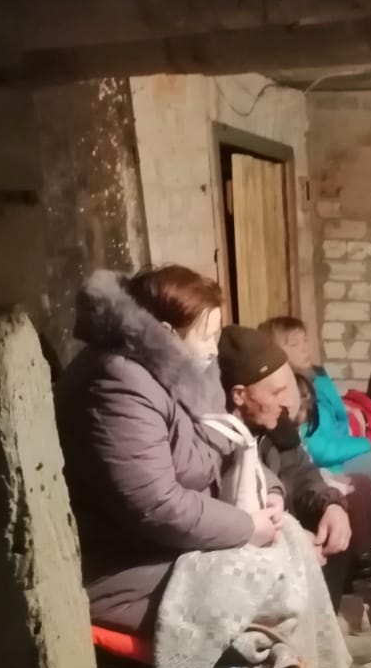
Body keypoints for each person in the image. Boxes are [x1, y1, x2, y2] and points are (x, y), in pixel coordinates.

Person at [55, 266, 279, 635]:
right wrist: (245, 527)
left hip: (177, 542)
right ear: (165, 334)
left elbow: (226, 441)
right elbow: (154, 504)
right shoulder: (117, 383)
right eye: (205, 337)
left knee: (290, 543)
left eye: (217, 335)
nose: (213, 349)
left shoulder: (186, 371)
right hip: (124, 562)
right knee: (269, 581)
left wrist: (269, 491)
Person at [218, 324, 370, 668]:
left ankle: (323, 634)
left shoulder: (276, 422)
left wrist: (331, 504)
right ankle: (298, 663)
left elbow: (302, 471)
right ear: (239, 394)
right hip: (244, 539)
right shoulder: (221, 439)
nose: (289, 402)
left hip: (281, 518)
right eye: (277, 391)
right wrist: (293, 537)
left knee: (338, 517)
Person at [260, 315, 371, 539]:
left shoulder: (318, 377)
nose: (305, 348)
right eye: (294, 344)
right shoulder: (294, 390)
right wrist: (366, 443)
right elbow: (318, 449)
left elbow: (334, 418)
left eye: (305, 340)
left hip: (343, 455)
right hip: (331, 466)